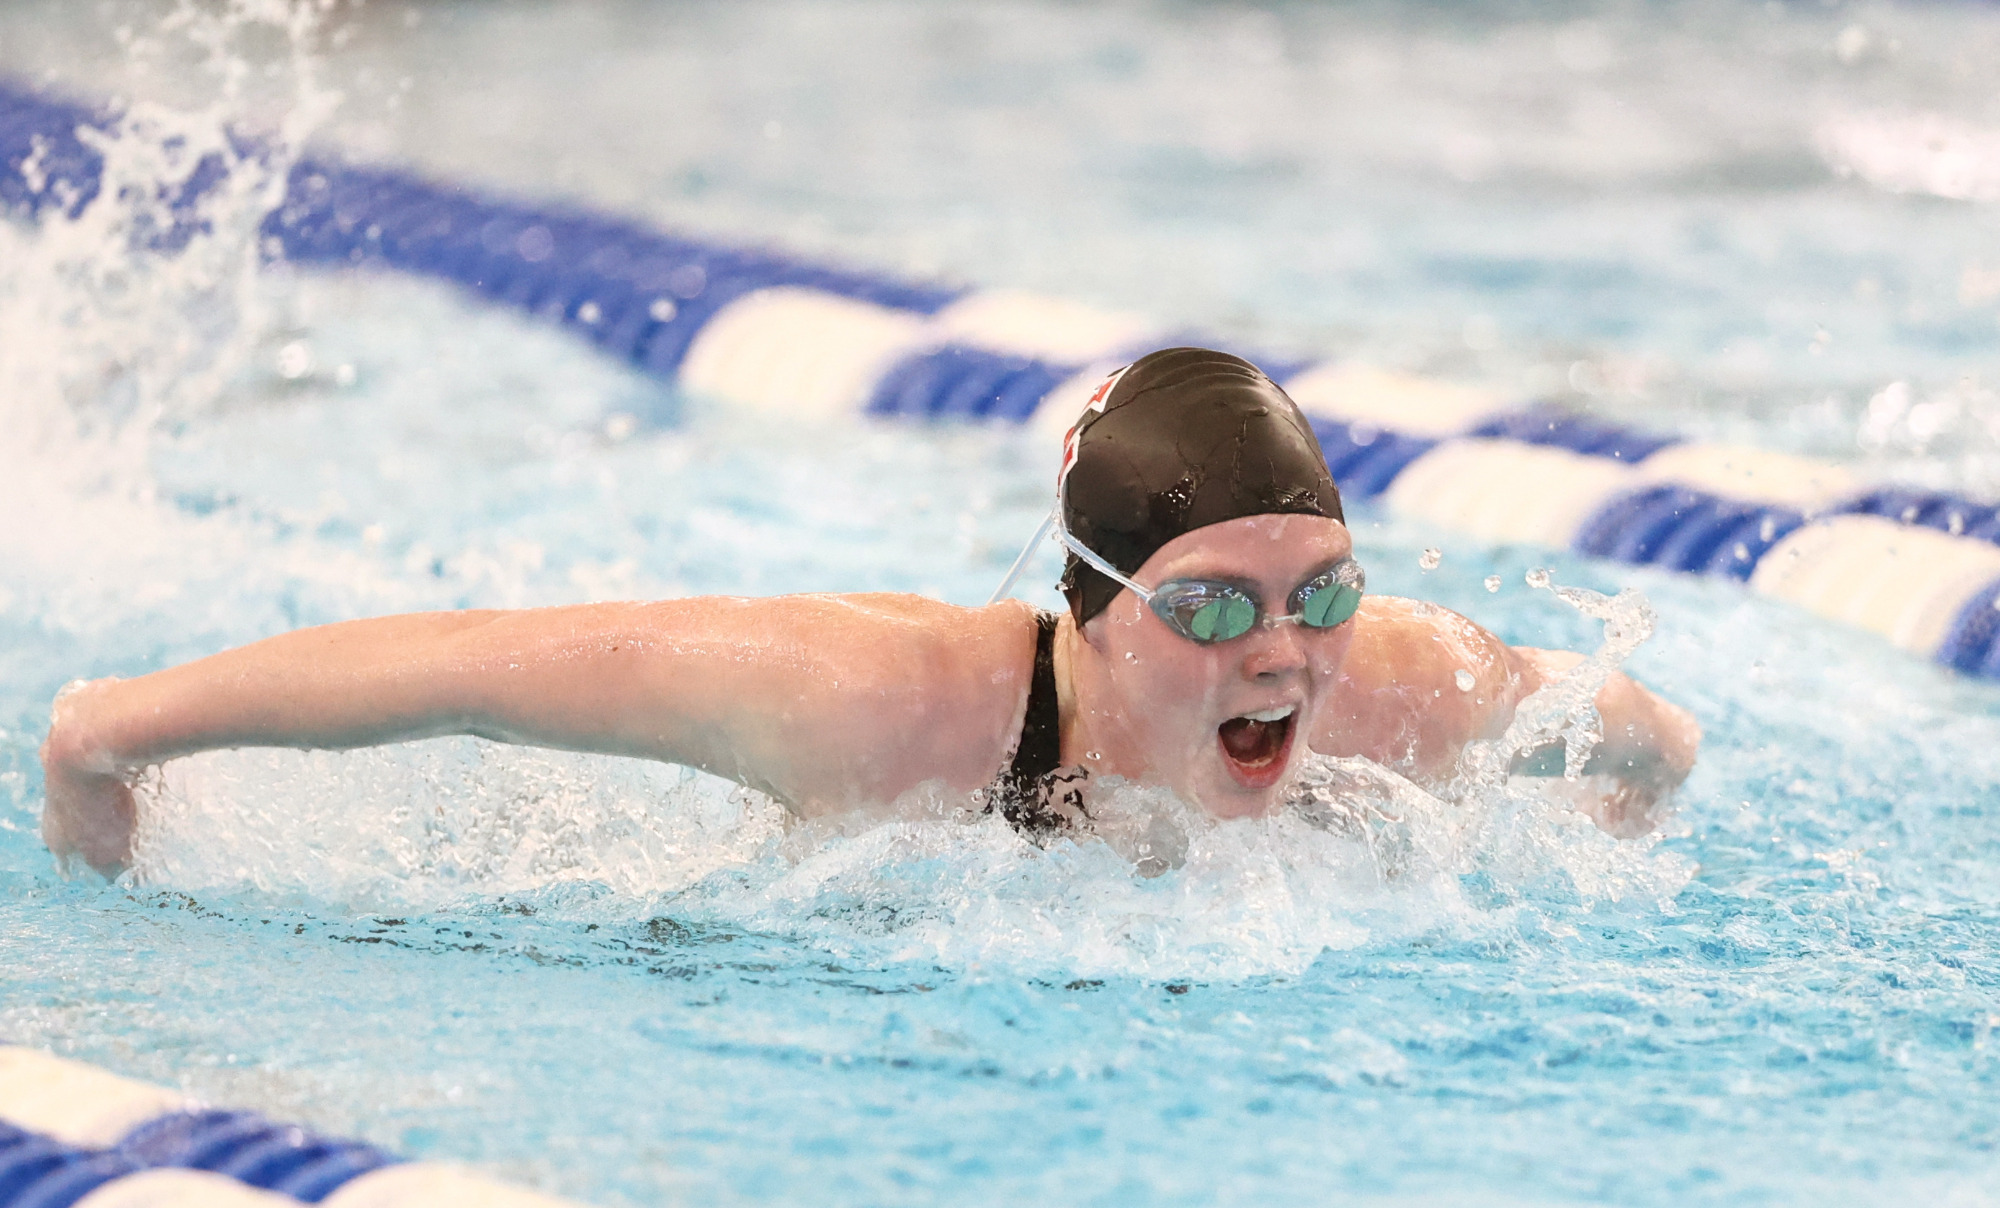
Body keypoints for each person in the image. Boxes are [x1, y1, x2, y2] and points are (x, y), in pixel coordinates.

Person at [39, 348, 1699, 879]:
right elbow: (470, 666)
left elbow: (1646, 736)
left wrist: (1614, 829)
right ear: (1099, 606)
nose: (1283, 653)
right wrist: (107, 730)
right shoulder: (877, 701)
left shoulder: (1396, 688)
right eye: (1214, 608)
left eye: (1320, 589)